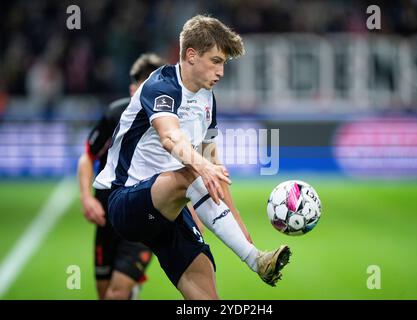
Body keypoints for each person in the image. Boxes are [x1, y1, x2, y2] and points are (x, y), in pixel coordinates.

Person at [94, 15, 291, 300]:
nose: (221, 71)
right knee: (192, 172)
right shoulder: (161, 85)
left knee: (207, 293)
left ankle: (255, 257)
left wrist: (235, 221)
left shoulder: (207, 98)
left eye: (224, 63)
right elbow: (170, 137)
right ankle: (254, 260)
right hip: (126, 203)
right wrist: (201, 166)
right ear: (191, 55)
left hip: (170, 208)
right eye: (216, 61)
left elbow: (214, 163)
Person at [78, 53, 165, 300]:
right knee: (104, 294)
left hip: (142, 219)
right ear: (132, 89)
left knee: (116, 294)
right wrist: (87, 199)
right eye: (143, 86)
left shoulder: (170, 124)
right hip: (107, 217)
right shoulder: (115, 115)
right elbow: (88, 157)